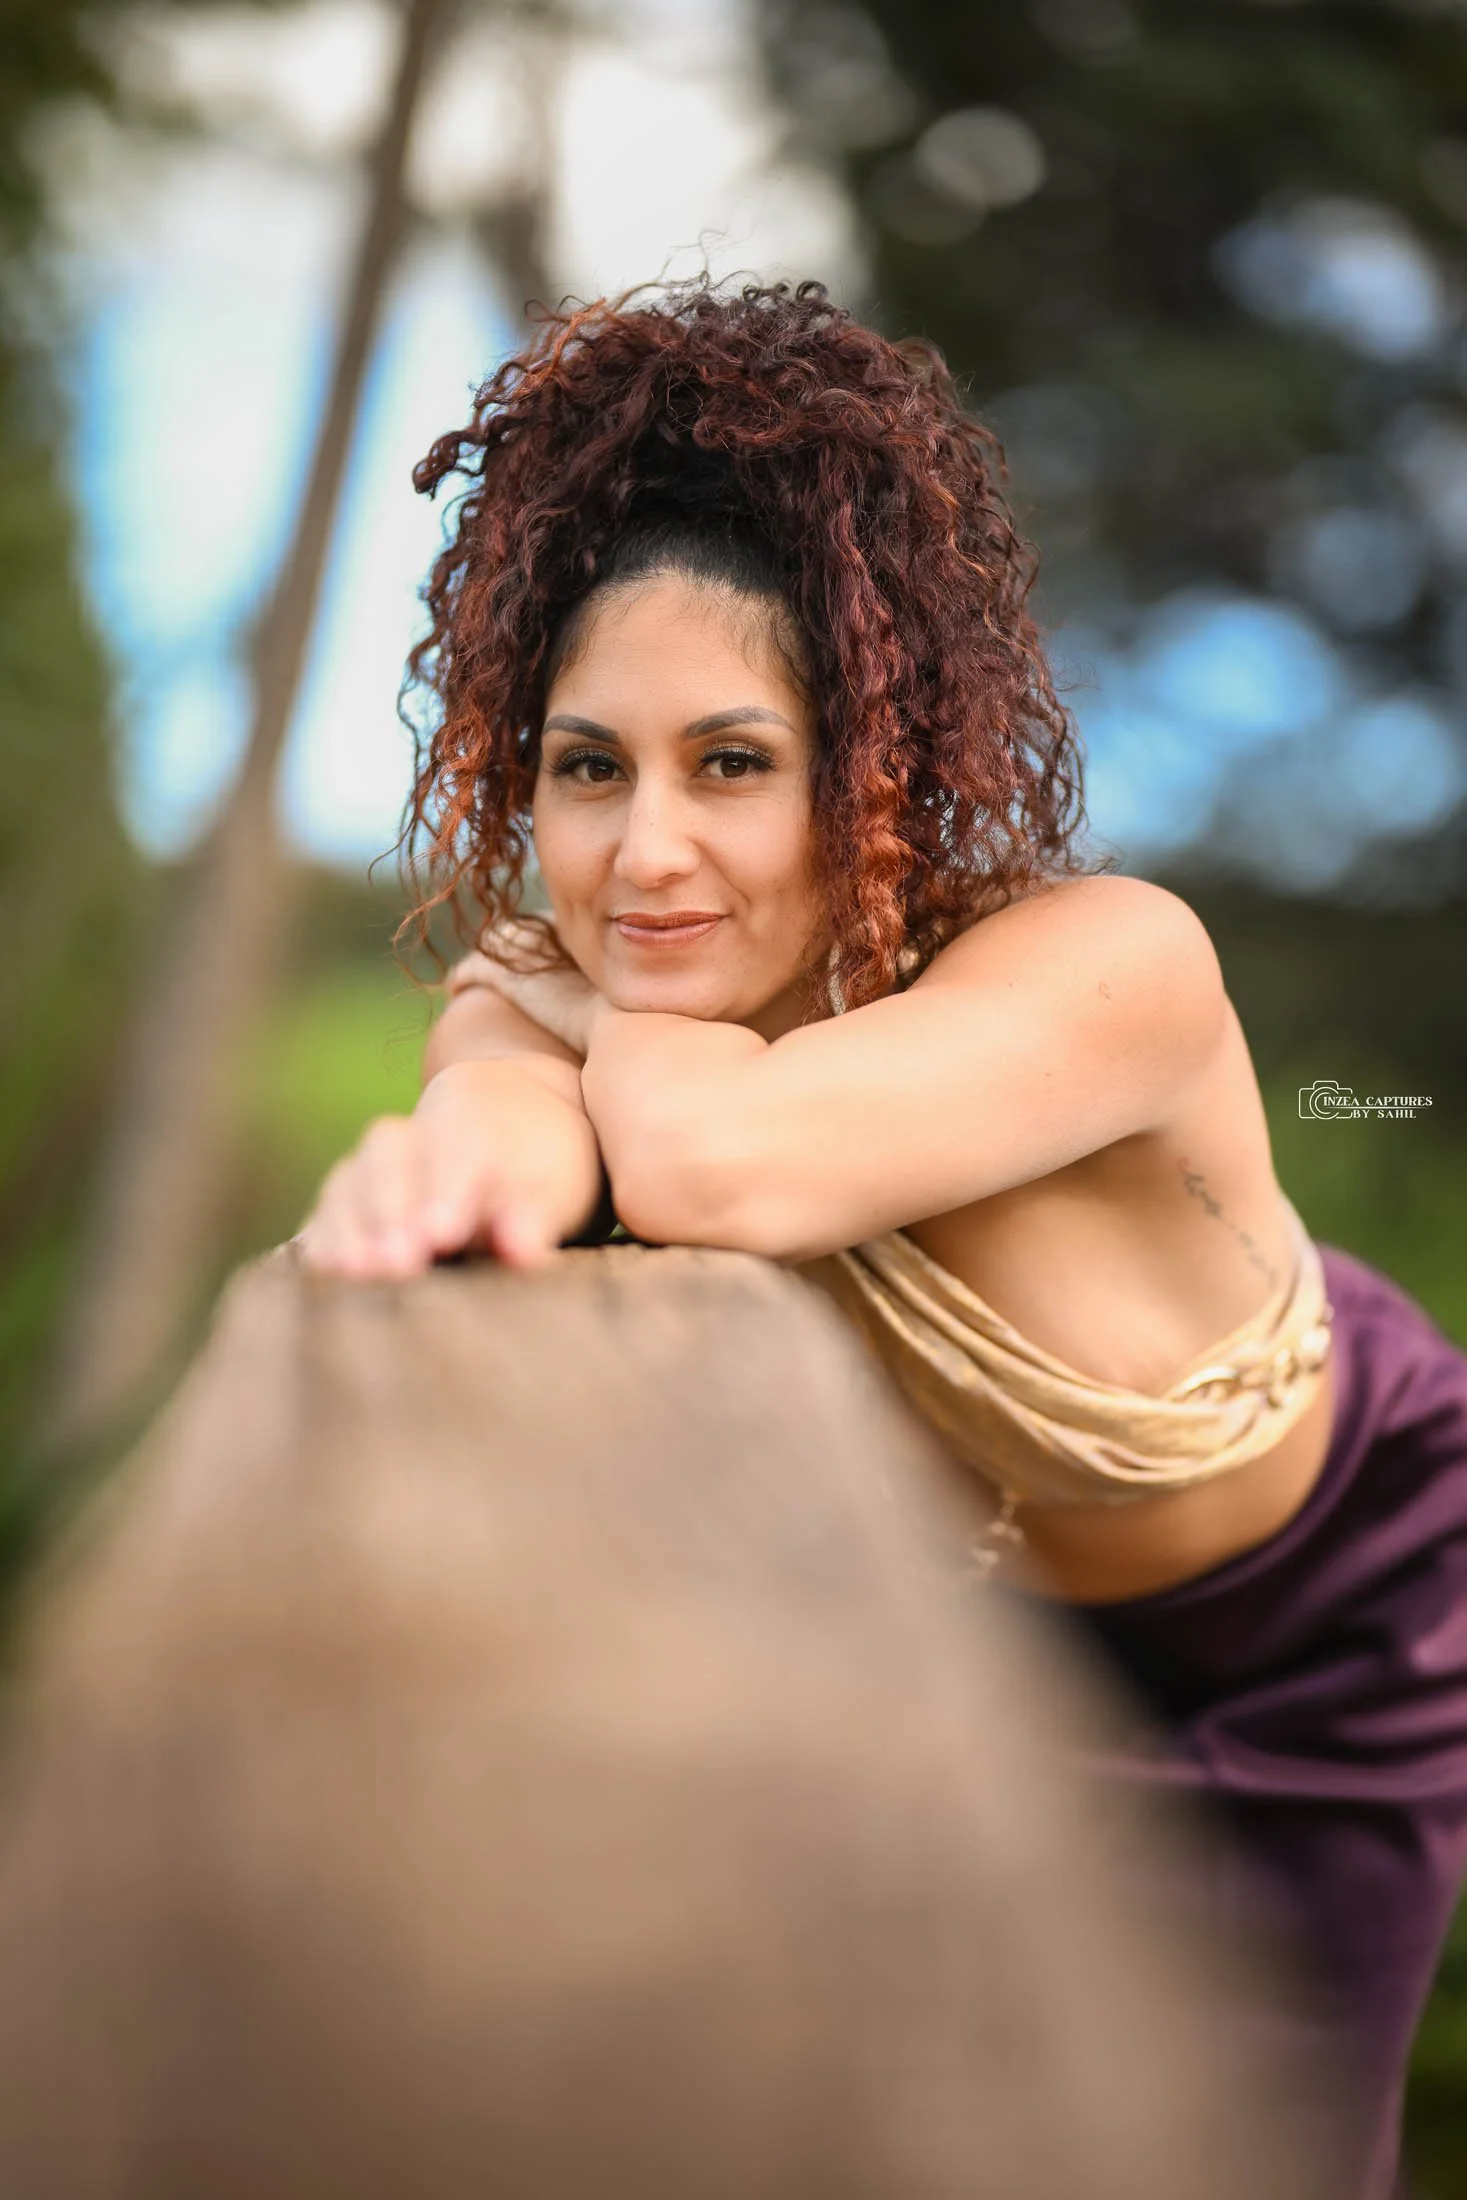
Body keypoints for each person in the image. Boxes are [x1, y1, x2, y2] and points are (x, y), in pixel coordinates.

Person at [299, 277, 1467, 2200]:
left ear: (880, 771)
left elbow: (710, 1166)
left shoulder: (1112, 968)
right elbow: (488, 1123)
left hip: (1334, 1623)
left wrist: (553, 1016)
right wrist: (456, 1144)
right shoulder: (582, 1005)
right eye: (588, 768)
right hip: (997, 1636)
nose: (642, 851)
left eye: (731, 763)